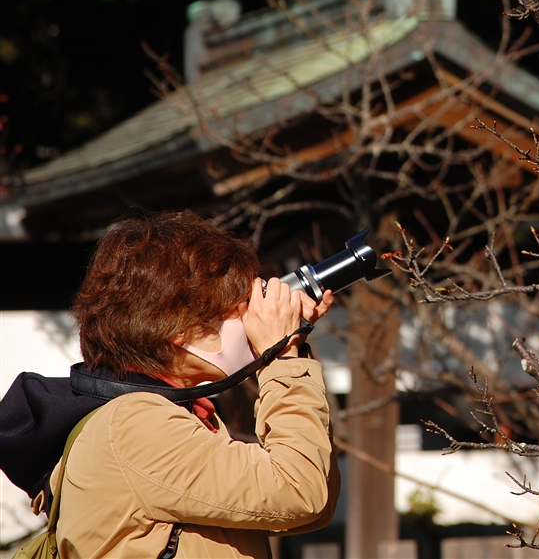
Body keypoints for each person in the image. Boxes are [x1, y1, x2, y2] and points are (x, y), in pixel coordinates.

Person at [0, 211, 340, 558]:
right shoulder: (135, 426)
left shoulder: (172, 416)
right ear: (181, 326)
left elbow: (310, 503)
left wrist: (292, 347)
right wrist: (283, 357)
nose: (252, 319)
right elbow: (299, 491)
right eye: (240, 307)